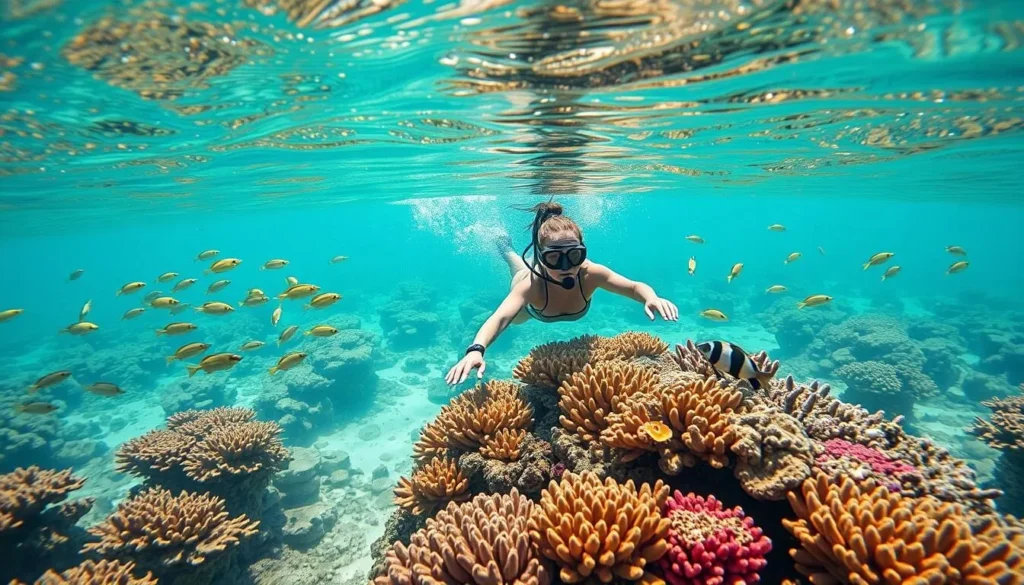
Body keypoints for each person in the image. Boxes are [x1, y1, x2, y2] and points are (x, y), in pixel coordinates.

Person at [445, 201, 679, 385]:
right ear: (542, 257)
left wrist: (651, 297)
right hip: (529, 304)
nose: (567, 266)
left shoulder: (591, 273)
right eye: (554, 258)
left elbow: (634, 286)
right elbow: (500, 318)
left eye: (574, 255)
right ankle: (505, 249)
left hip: (540, 279)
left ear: (583, 253)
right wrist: (476, 350)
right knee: (516, 267)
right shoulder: (531, 286)